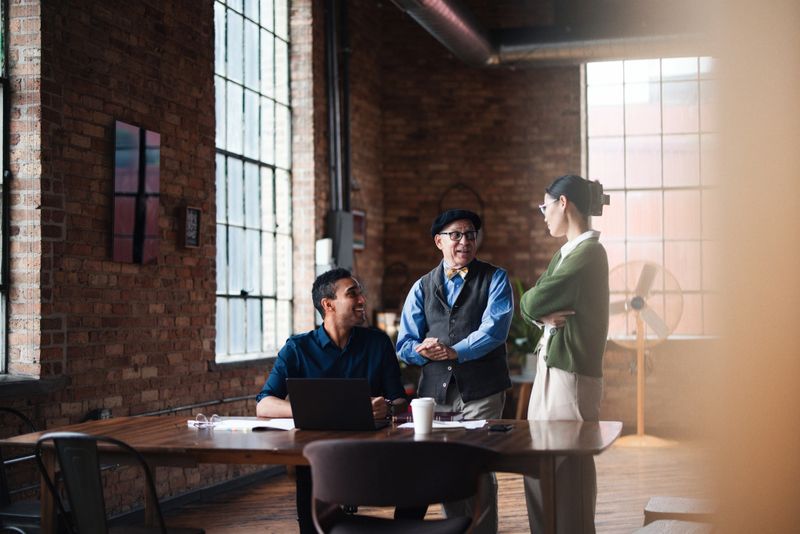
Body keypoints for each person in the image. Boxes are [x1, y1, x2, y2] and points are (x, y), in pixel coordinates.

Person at [256, 268, 407, 534]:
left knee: (416, 476)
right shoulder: (297, 348)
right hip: (318, 456)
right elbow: (264, 404)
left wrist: (388, 407)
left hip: (374, 452)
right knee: (310, 473)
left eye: (360, 293)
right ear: (328, 305)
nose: (362, 300)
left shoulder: (378, 343)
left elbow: (398, 401)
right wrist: (320, 410)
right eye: (352, 294)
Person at [396, 208, 513, 534]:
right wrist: (420, 352)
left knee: (478, 464)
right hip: (435, 393)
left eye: (470, 235)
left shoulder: (496, 279)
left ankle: (484, 530)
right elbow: (404, 343)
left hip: (482, 389)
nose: (465, 241)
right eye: (456, 235)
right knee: (446, 466)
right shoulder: (421, 286)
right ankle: (457, 529)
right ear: (439, 241)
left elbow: (494, 331)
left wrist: (454, 351)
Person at [521, 174, 610, 534]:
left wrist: (536, 309)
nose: (543, 216)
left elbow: (533, 299)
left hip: (570, 376)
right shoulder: (566, 252)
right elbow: (533, 300)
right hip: (554, 369)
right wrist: (537, 310)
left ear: (564, 203)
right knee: (543, 462)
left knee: (567, 469)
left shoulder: (589, 253)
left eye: (545, 206)